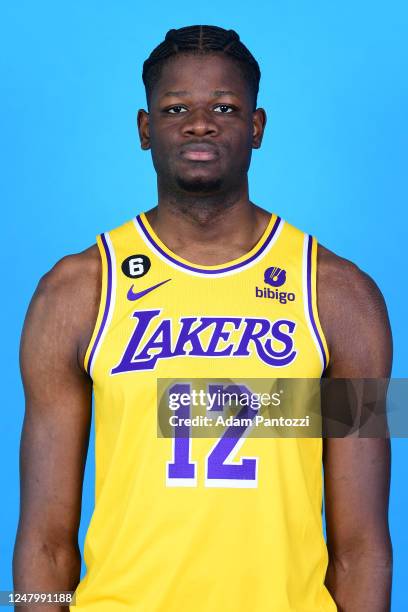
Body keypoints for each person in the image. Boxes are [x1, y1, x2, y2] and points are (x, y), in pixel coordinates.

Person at [14, 25, 392, 612]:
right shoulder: (75, 291)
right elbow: (42, 542)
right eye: (175, 108)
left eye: (223, 106)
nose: (200, 123)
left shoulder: (342, 296)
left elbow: (362, 548)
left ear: (258, 127)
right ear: (144, 130)